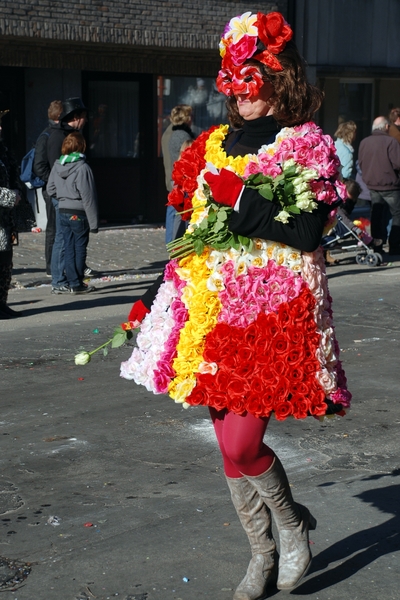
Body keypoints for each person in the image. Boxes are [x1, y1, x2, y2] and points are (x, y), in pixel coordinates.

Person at [121, 11, 351, 600]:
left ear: (279, 78)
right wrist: (149, 301)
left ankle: (294, 526)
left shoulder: (307, 144)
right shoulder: (208, 147)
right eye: (231, 78)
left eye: (251, 75)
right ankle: (261, 552)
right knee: (228, 445)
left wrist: (241, 198)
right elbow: (192, 240)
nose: (240, 91)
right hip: (210, 315)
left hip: (274, 317)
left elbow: (305, 233)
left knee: (245, 444)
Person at [46, 132, 98, 294]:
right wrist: (94, 223)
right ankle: (77, 283)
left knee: (68, 247)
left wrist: (63, 197)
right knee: (79, 247)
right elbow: (88, 197)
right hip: (78, 212)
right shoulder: (82, 167)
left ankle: (71, 281)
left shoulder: (57, 165)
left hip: (62, 210)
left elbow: (50, 189)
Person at [358, 116, 400, 255]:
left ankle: (378, 246)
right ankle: (394, 246)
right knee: (397, 215)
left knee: (376, 215)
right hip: (390, 185)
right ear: (387, 127)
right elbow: (397, 164)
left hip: (372, 185)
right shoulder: (391, 141)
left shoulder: (364, 142)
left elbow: (361, 163)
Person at [32, 99, 63, 276]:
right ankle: (51, 266)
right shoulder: (47, 136)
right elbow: (39, 166)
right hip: (50, 189)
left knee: (56, 228)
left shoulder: (51, 134)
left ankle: (56, 265)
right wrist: (52, 182)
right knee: (52, 228)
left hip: (52, 186)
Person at [0, 112, 24, 319]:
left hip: (4, 219)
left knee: (5, 262)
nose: (0, 129)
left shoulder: (3, 151)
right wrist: (9, 196)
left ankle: (2, 303)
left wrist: (16, 192)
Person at [167, 104, 196, 242]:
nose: (192, 119)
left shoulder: (174, 133)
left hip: (176, 175)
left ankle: (173, 241)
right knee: (177, 213)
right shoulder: (183, 135)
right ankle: (174, 242)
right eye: (190, 116)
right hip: (182, 177)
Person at [161, 117, 174, 243]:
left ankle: (170, 240)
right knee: (174, 208)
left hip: (170, 174)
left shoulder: (168, 133)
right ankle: (171, 240)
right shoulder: (177, 134)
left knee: (172, 207)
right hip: (176, 176)